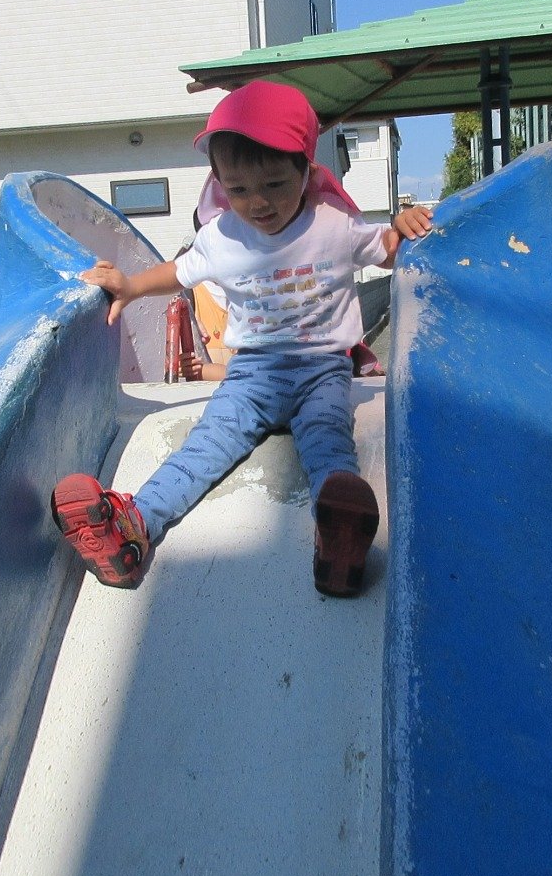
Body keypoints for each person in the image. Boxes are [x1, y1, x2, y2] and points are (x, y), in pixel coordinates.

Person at [52, 80, 432, 596]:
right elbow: (179, 272)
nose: (257, 202)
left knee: (329, 446)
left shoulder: (334, 224)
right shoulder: (222, 236)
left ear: (307, 171)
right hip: (251, 374)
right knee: (205, 446)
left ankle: (338, 539)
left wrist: (404, 226)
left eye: (274, 184)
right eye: (238, 190)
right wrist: (131, 285)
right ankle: (134, 528)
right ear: (220, 185)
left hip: (323, 368)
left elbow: (386, 250)